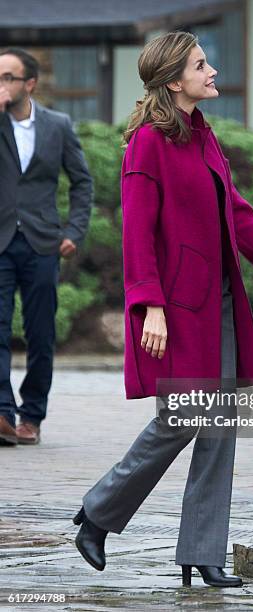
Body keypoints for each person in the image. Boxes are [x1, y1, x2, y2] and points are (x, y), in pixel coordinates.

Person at [72, 32, 253, 588]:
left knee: (219, 424)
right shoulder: (147, 143)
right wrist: (149, 305)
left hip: (219, 300)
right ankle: (98, 513)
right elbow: (137, 232)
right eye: (201, 64)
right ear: (174, 80)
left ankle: (202, 550)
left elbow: (238, 216)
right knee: (181, 419)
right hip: (175, 307)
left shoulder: (203, 135)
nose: (213, 70)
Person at [0, 49, 93, 445]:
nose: (0, 85)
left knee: (40, 335)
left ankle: (31, 415)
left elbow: (82, 181)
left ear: (30, 84)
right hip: (0, 241)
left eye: (7, 77)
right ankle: (2, 413)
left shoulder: (58, 125)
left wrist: (74, 230)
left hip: (42, 244)